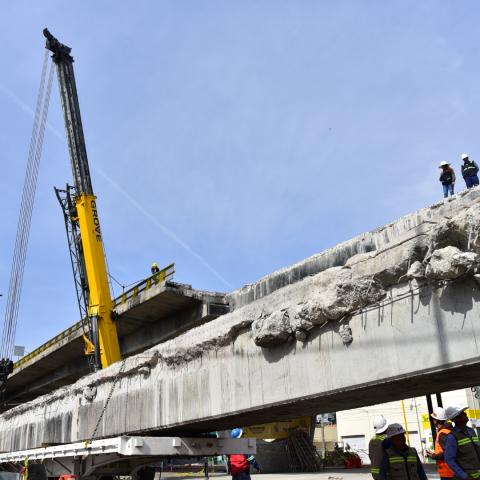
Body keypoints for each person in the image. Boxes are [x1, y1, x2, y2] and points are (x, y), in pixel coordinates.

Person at [444, 405, 480, 480]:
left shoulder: (471, 431)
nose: (466, 414)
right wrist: (465, 476)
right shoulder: (452, 437)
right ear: (456, 418)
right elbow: (449, 459)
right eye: (462, 413)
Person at [425, 407, 455, 479]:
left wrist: (434, 456)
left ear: (436, 420)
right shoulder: (448, 431)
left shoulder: (442, 433)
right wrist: (434, 454)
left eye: (433, 419)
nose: (432, 420)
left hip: (448, 472)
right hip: (451, 471)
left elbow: (448, 452)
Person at [370, 415, 389, 479]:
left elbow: (371, 456)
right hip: (384, 472)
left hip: (374, 472)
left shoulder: (372, 440)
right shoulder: (386, 440)